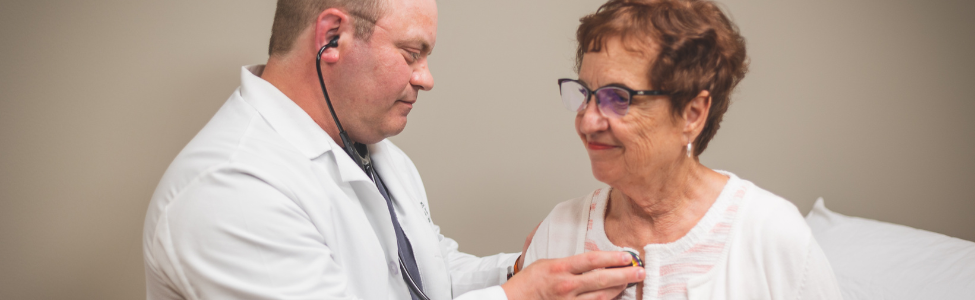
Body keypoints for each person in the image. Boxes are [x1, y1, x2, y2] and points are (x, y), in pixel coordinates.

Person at [142, 0, 645, 299]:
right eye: (412, 53)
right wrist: (518, 297)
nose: (426, 79)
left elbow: (428, 279)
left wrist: (520, 270)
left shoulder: (371, 151)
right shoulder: (230, 192)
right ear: (331, 37)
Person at [520, 0, 844, 299]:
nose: (588, 122)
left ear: (692, 113)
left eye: (617, 97)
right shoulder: (559, 230)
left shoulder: (771, 234)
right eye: (584, 93)